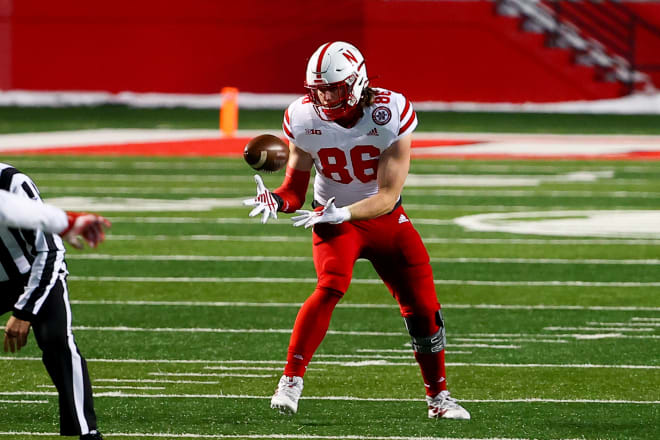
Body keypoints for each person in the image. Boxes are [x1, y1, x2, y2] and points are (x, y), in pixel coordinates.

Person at [243, 41, 470, 420]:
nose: (325, 97)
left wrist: (343, 214)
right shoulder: (302, 117)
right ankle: (290, 380)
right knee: (331, 284)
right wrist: (277, 201)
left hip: (381, 219)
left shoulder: (389, 111)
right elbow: (294, 191)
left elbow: (387, 195)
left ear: (357, 82)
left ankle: (439, 398)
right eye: (318, 89)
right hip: (330, 217)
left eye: (333, 88)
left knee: (424, 308)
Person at [1, 163, 110, 440]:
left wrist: (25, 311)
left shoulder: (10, 181)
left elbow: (48, 251)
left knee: (57, 341)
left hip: (33, 271)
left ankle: (87, 433)